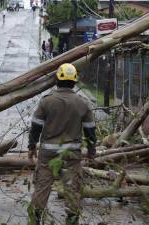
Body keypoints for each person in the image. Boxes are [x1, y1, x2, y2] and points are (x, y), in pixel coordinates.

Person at [27, 63, 97, 225]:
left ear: (57, 79)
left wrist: (31, 147)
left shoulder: (46, 102)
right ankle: (72, 221)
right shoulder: (83, 104)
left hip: (47, 156)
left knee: (42, 188)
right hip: (72, 157)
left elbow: (35, 127)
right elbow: (90, 131)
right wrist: (92, 152)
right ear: (75, 81)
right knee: (72, 190)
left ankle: (35, 220)